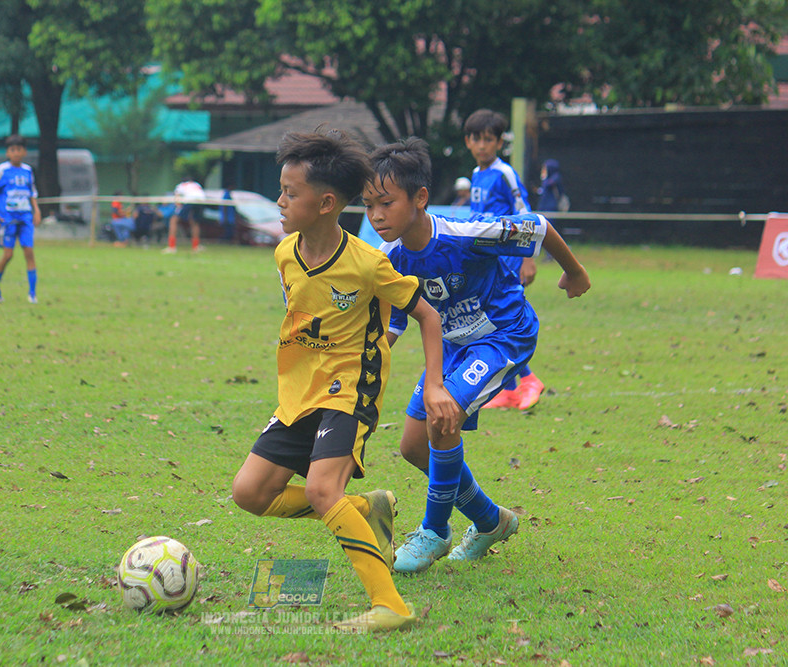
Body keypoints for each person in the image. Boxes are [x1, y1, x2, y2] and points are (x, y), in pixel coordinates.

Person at [230, 129, 458, 633]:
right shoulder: (284, 254)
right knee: (249, 493)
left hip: (352, 389)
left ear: (326, 202)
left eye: (291, 192)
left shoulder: (369, 264)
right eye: (282, 190)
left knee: (319, 489)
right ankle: (364, 509)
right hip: (299, 394)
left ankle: (389, 605)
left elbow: (429, 317)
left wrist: (437, 383)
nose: (280, 201)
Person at [363, 136, 590, 572]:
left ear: (421, 198)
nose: (376, 215)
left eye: (386, 203)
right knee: (413, 446)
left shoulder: (466, 234)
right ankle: (490, 521)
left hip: (503, 335)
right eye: (369, 204)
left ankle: (435, 531)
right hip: (452, 345)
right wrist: (364, 355)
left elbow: (538, 227)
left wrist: (574, 272)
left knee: (443, 417)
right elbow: (392, 324)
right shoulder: (386, 258)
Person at [464, 109, 543, 410]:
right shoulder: (476, 175)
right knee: (490, 322)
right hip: (485, 259)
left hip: (508, 258)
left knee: (503, 320)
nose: (482, 145)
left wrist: (528, 258)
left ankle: (529, 380)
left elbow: (526, 215)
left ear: (499, 142)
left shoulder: (504, 173)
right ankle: (509, 390)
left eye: (488, 139)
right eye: (476, 139)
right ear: (468, 142)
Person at [0, 135, 41, 304]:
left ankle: (32, 294)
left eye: (19, 149)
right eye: (12, 150)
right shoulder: (2, 170)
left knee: (29, 252)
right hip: (8, 219)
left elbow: (31, 193)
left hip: (25, 218)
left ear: (24, 151)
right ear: (8, 152)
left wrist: (36, 210)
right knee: (8, 254)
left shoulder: (27, 171)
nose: (16, 153)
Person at [163, 175, 204, 253]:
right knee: (195, 223)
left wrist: (178, 207)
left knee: (173, 220)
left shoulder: (181, 186)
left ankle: (172, 247)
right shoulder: (197, 185)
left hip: (189, 201)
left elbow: (177, 198)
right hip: (200, 202)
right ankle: (196, 246)